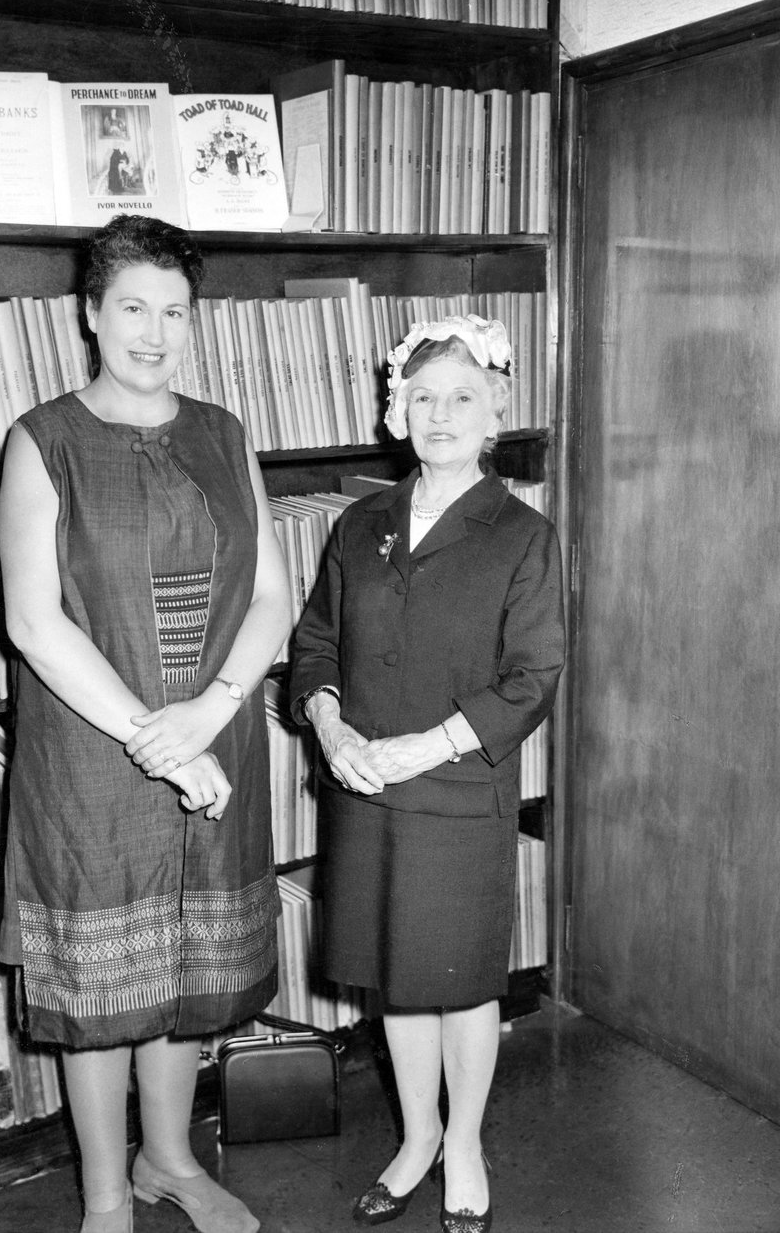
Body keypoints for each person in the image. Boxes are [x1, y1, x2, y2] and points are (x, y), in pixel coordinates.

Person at [0, 214, 293, 1233]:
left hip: (217, 737)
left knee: (189, 972)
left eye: (175, 311)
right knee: (102, 988)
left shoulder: (224, 432)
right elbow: (34, 623)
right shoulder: (42, 440)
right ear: (90, 314)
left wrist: (206, 715)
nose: (155, 332)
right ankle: (107, 1195)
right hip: (91, 753)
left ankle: (170, 1161)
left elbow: (270, 595)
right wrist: (152, 737)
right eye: (133, 308)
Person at [289, 315, 565, 1233]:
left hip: (454, 792)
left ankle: (467, 1146)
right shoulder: (359, 522)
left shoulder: (522, 535)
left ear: (496, 415)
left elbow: (532, 679)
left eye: (461, 398)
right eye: (421, 396)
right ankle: (415, 1140)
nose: (438, 413)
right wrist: (325, 723)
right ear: (395, 409)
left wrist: (425, 745)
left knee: (460, 980)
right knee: (395, 978)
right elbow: (316, 641)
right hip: (363, 787)